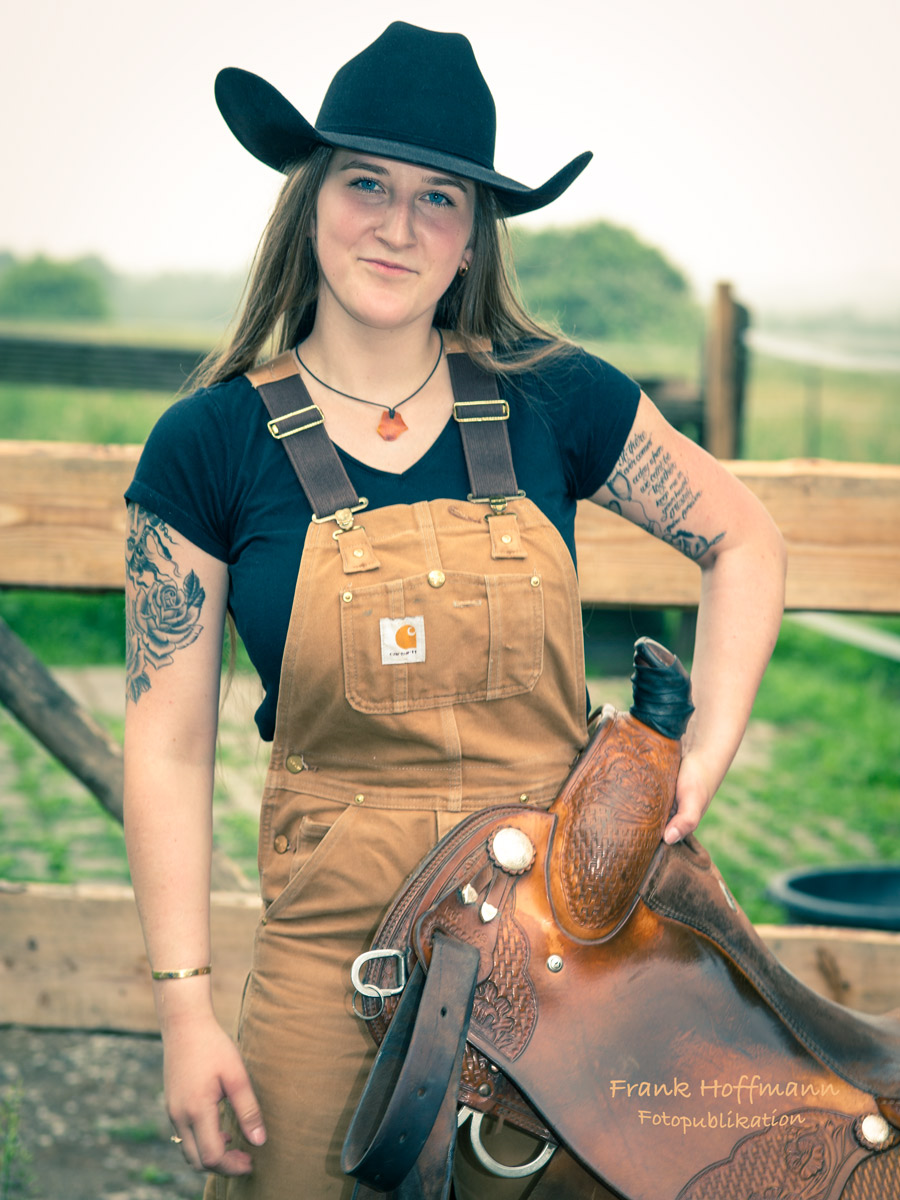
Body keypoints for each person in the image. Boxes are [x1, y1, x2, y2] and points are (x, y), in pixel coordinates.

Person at [123, 21, 786, 1200]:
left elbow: (743, 535)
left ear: (475, 232)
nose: (397, 224)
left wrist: (704, 755)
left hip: (565, 952)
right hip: (332, 966)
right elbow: (167, 749)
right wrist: (184, 1011)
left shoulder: (554, 400)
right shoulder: (207, 444)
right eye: (366, 182)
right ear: (310, 196)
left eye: (440, 198)